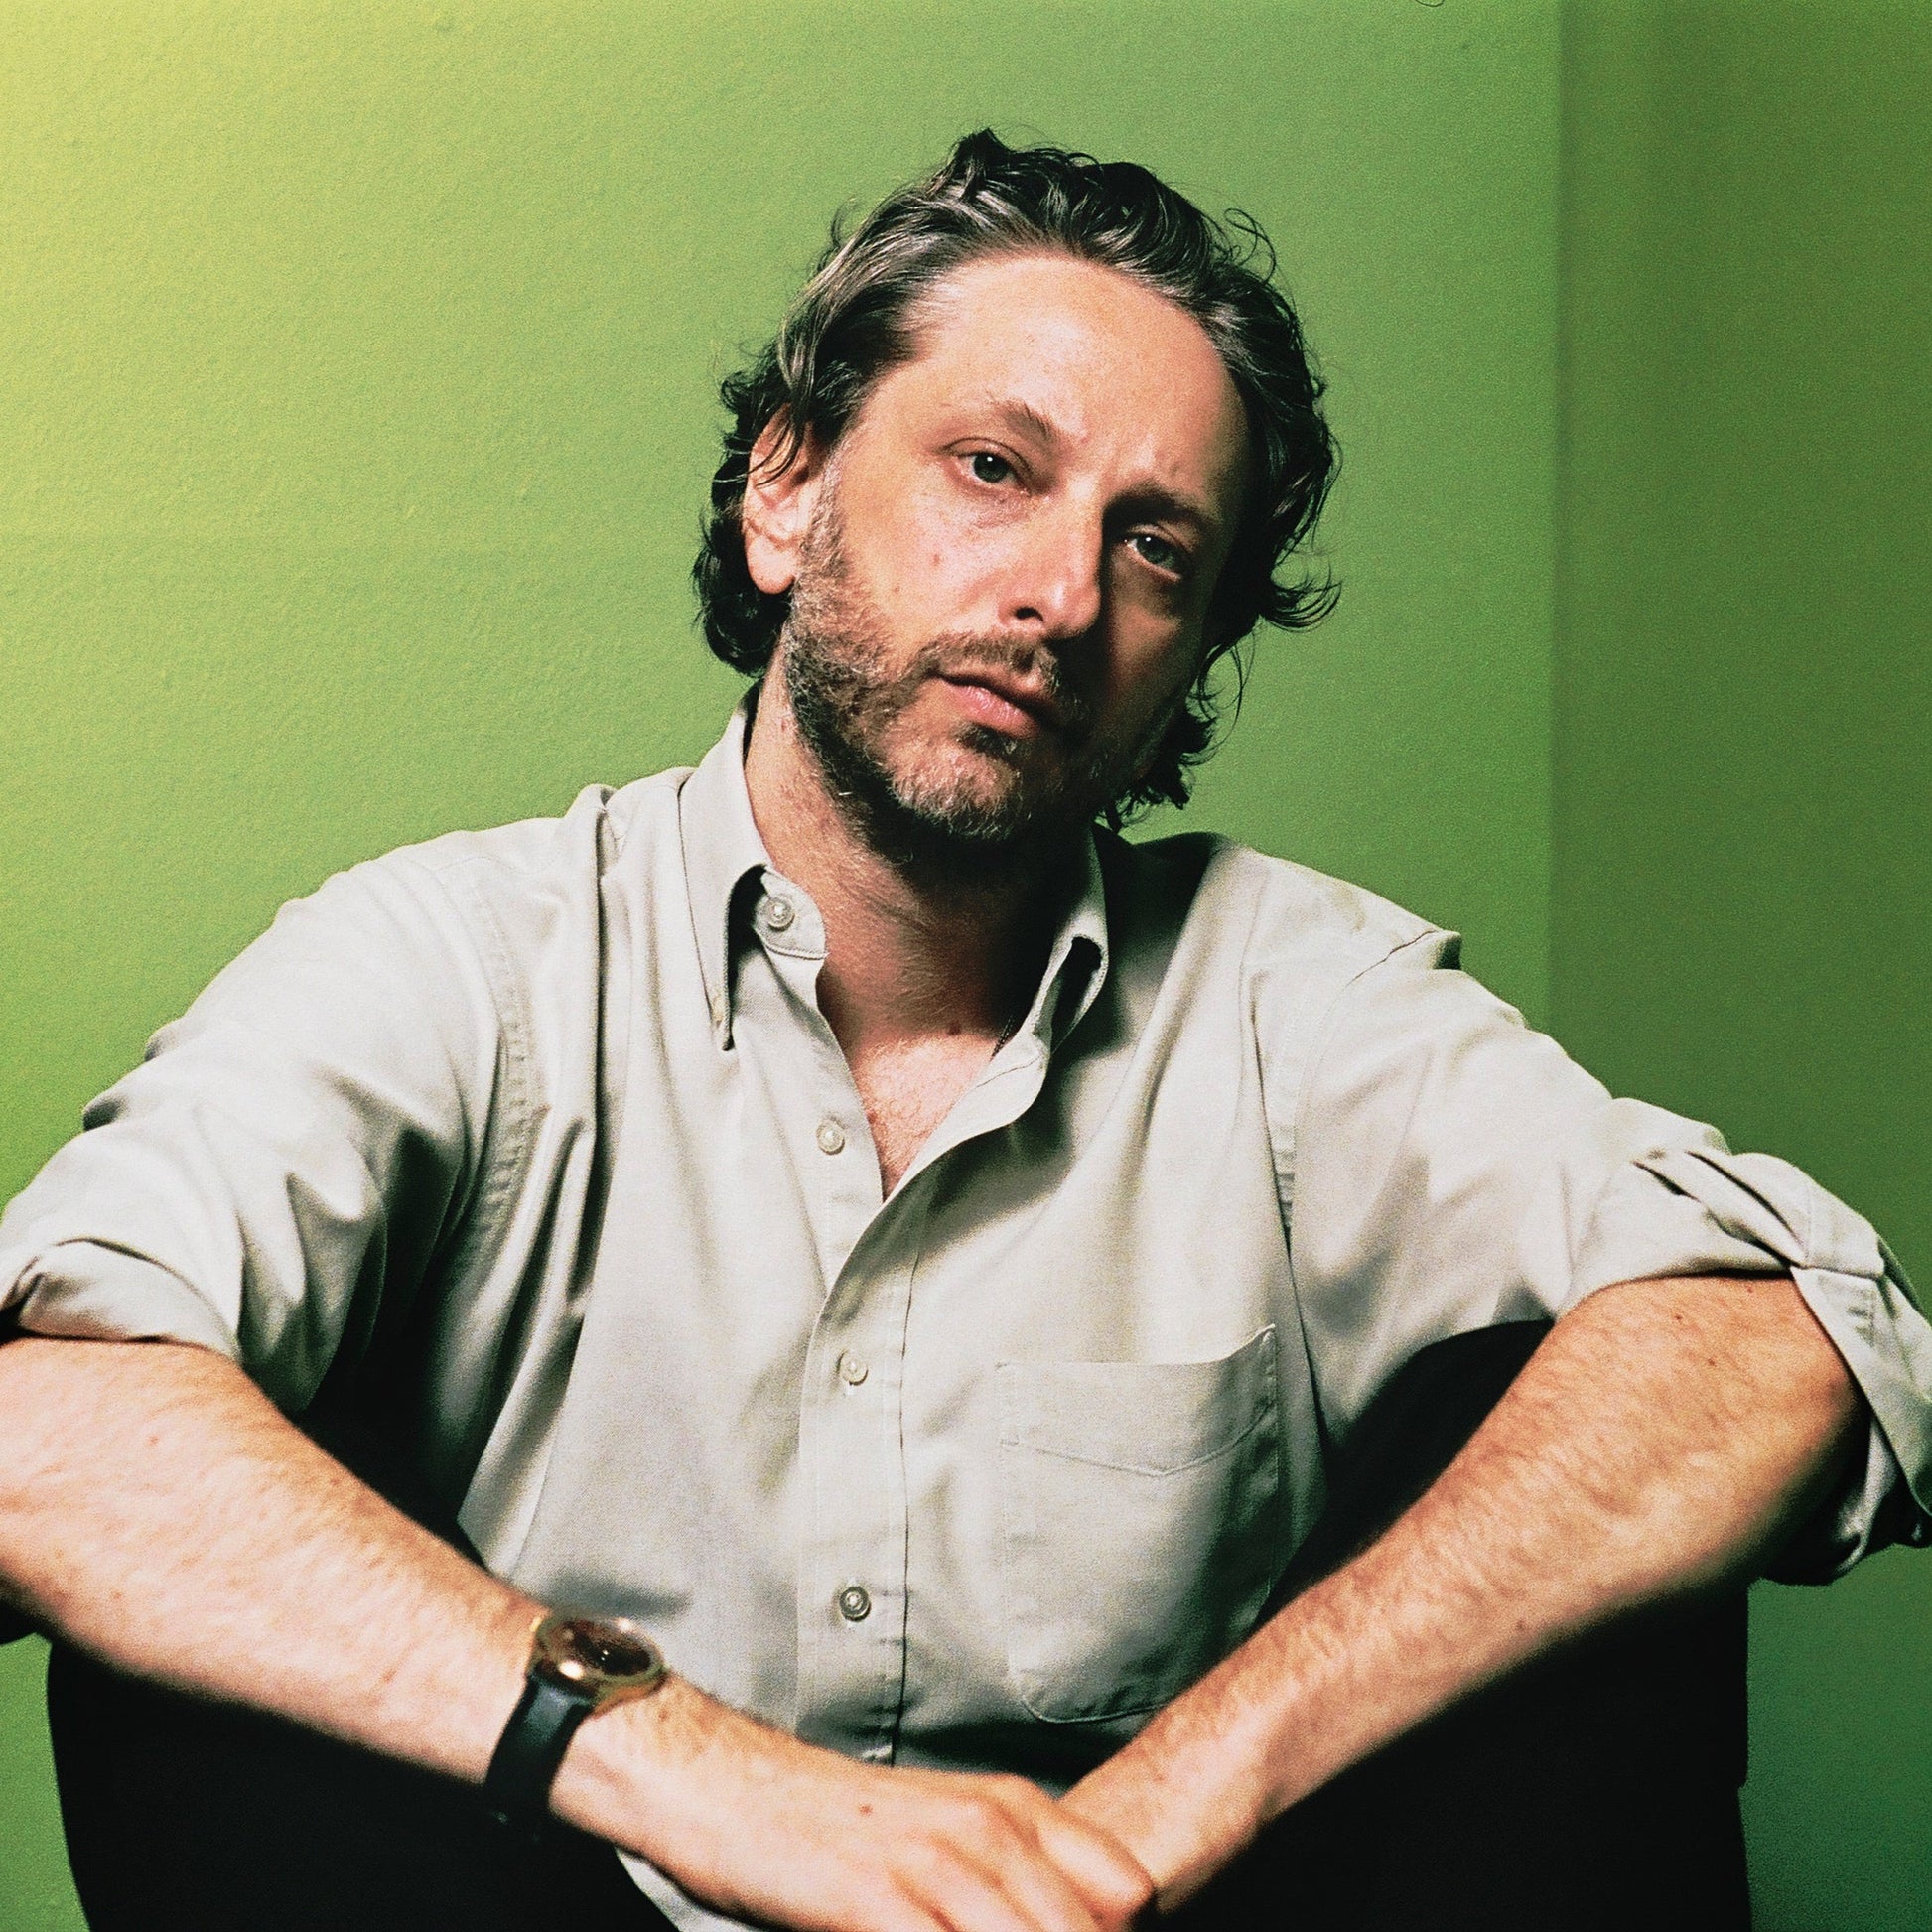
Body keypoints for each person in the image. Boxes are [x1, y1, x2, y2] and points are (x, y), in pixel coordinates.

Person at [1, 130, 1927, 1932]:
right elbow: (39, 1426)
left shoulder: (1290, 1002)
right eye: (995, 468)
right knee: (199, 1552)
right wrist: (713, 1784)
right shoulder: (463, 962)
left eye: (1155, 548)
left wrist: (1145, 1820)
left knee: (1577, 1465)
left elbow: (1777, 1347)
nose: (1060, 594)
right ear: (784, 490)